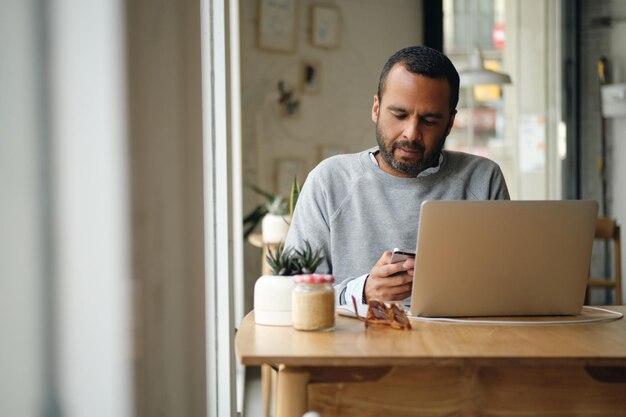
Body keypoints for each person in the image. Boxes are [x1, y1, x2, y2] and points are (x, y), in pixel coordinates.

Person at [284, 45, 510, 306]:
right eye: (399, 115)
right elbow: (292, 295)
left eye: (429, 120)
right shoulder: (329, 181)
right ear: (376, 109)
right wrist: (363, 291)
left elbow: (505, 288)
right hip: (355, 346)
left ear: (449, 123)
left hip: (455, 343)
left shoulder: (482, 179)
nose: (411, 133)